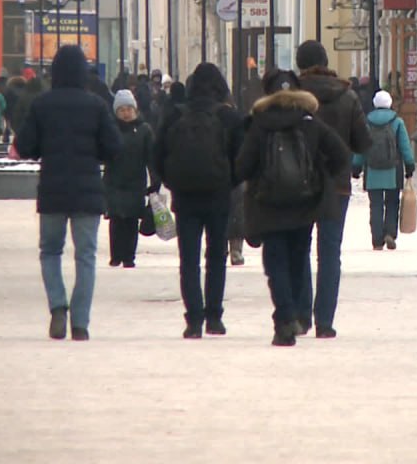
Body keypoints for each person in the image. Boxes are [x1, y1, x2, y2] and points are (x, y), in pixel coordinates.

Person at [13, 45, 123, 341]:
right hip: (87, 191)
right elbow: (114, 147)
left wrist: (44, 148)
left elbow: (24, 146)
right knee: (86, 256)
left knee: (50, 251)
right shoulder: (96, 105)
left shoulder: (42, 104)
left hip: (52, 190)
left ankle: (58, 307)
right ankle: (81, 323)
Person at [234, 69, 349, 346]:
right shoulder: (310, 122)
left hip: (269, 206)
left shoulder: (260, 124)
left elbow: (242, 166)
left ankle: (284, 318)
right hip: (304, 204)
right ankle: (298, 313)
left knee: (276, 264)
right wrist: (319, 175)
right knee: (298, 259)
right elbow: (340, 154)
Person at [153, 62, 243, 339]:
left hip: (186, 196)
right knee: (216, 255)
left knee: (188, 258)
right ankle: (214, 316)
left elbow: (157, 154)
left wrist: (172, 181)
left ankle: (193, 319)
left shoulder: (175, 114)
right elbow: (241, 157)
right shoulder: (228, 117)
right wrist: (230, 181)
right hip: (218, 194)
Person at [295, 40, 370, 338]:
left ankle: (301, 315)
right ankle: (324, 320)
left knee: (299, 248)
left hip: (298, 184)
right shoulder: (347, 96)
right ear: (326, 62)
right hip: (336, 185)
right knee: (329, 253)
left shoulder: (293, 96)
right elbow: (363, 142)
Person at [103, 90, 159, 268]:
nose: (126, 113)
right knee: (116, 220)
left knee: (131, 220)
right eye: (122, 110)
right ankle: (116, 255)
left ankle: (129, 256)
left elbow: (151, 157)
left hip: (136, 183)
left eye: (129, 109)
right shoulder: (110, 130)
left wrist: (155, 181)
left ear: (135, 110)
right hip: (114, 182)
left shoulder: (144, 130)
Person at [352, 90, 415, 251]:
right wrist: (409, 164)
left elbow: (361, 146)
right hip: (393, 170)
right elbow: (405, 146)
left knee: (375, 205)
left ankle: (377, 239)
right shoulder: (397, 122)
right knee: (392, 203)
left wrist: (356, 166)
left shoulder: (367, 122)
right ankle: (390, 233)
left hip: (372, 170)